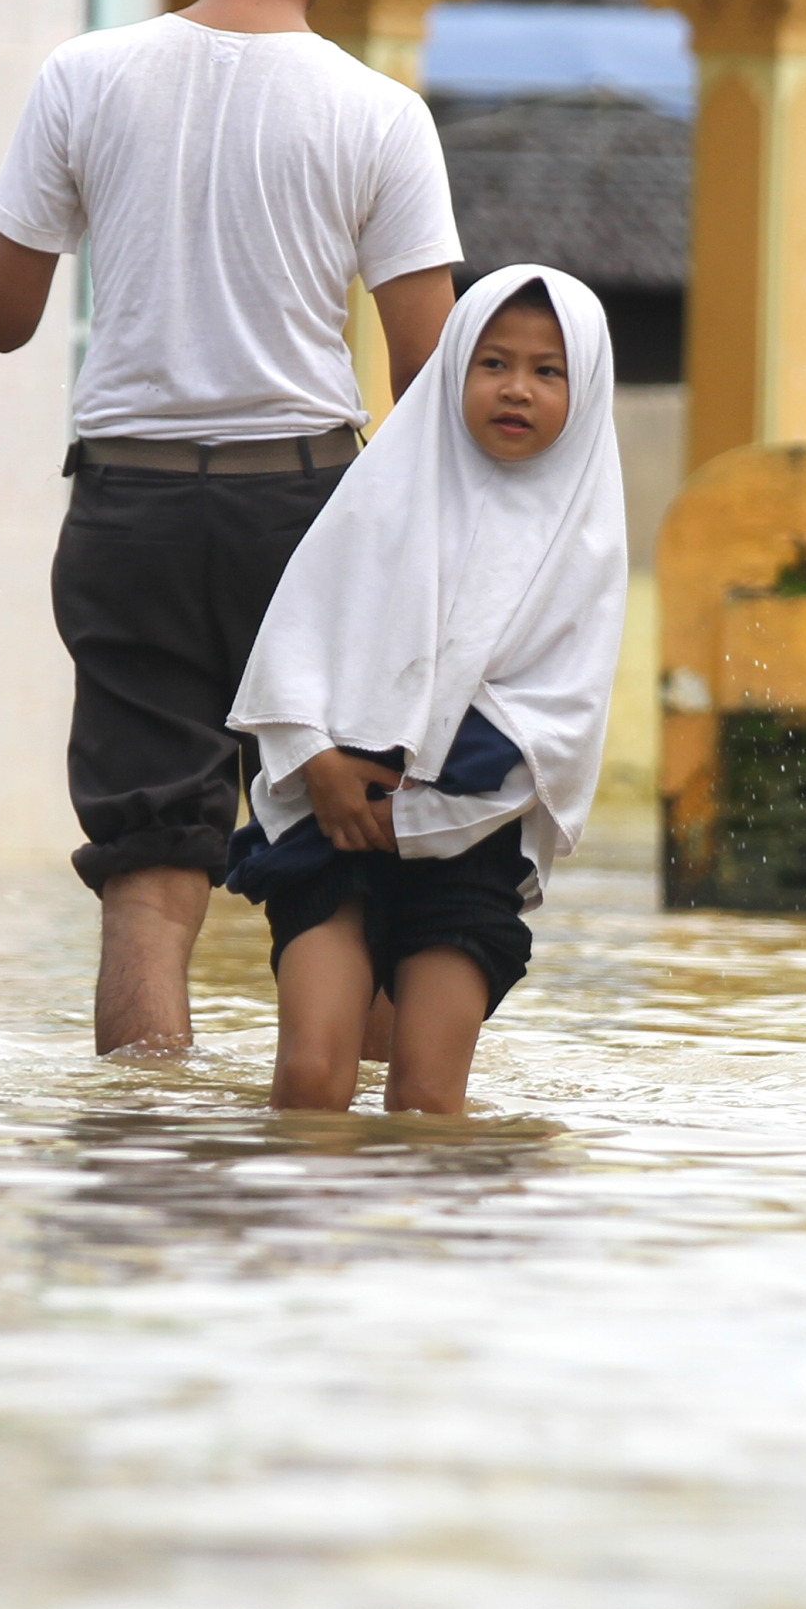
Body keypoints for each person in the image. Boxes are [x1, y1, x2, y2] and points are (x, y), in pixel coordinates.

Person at [0, 0, 462, 1053]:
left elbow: (3, 314)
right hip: (305, 510)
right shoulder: (381, 115)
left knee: (147, 870)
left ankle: (141, 1162)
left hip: (127, 504)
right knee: (335, 841)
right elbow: (426, 372)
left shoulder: (82, 76)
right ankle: (326, 1169)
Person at [227, 268, 627, 1116]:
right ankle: (301, 1245)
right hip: (329, 821)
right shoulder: (378, 500)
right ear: (453, 368)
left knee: (425, 1102)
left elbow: (551, 730)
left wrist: (410, 818)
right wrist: (320, 763)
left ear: (585, 388)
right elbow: (293, 646)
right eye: (493, 362)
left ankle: (417, 1252)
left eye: (548, 370)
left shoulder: (582, 553)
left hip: (467, 845)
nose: (516, 388)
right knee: (311, 1077)